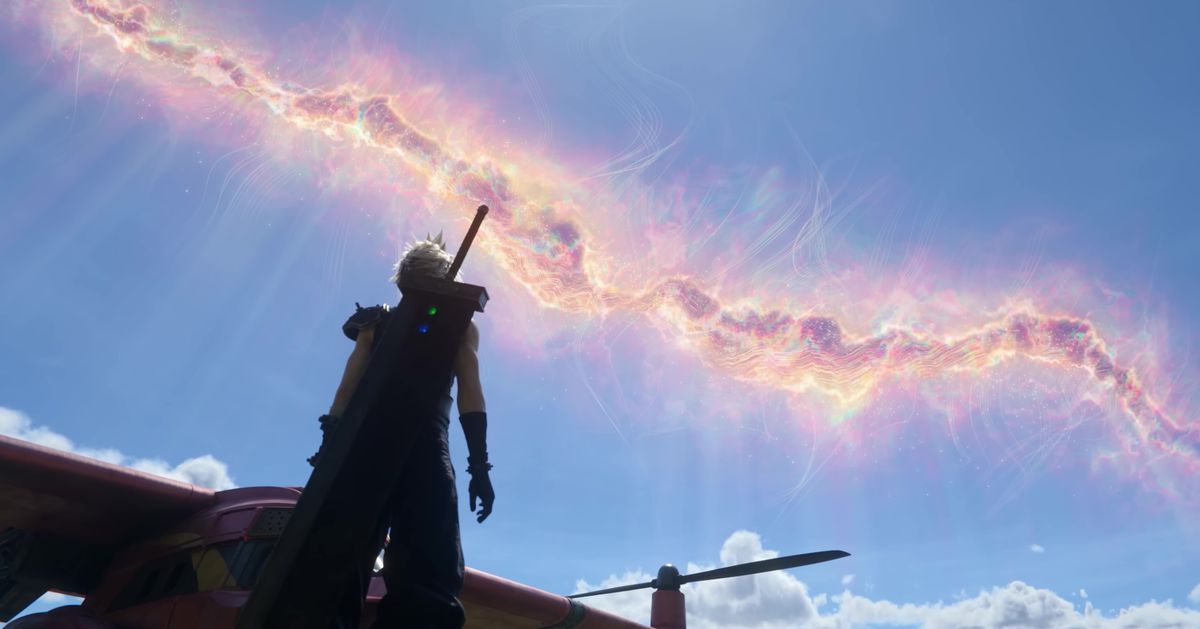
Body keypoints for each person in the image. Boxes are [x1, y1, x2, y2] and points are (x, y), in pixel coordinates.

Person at [310, 232, 494, 629]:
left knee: (351, 562)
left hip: (376, 446)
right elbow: (471, 396)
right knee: (417, 569)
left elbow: (347, 388)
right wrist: (478, 465)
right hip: (409, 447)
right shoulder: (380, 323)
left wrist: (331, 441)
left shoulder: (396, 324)